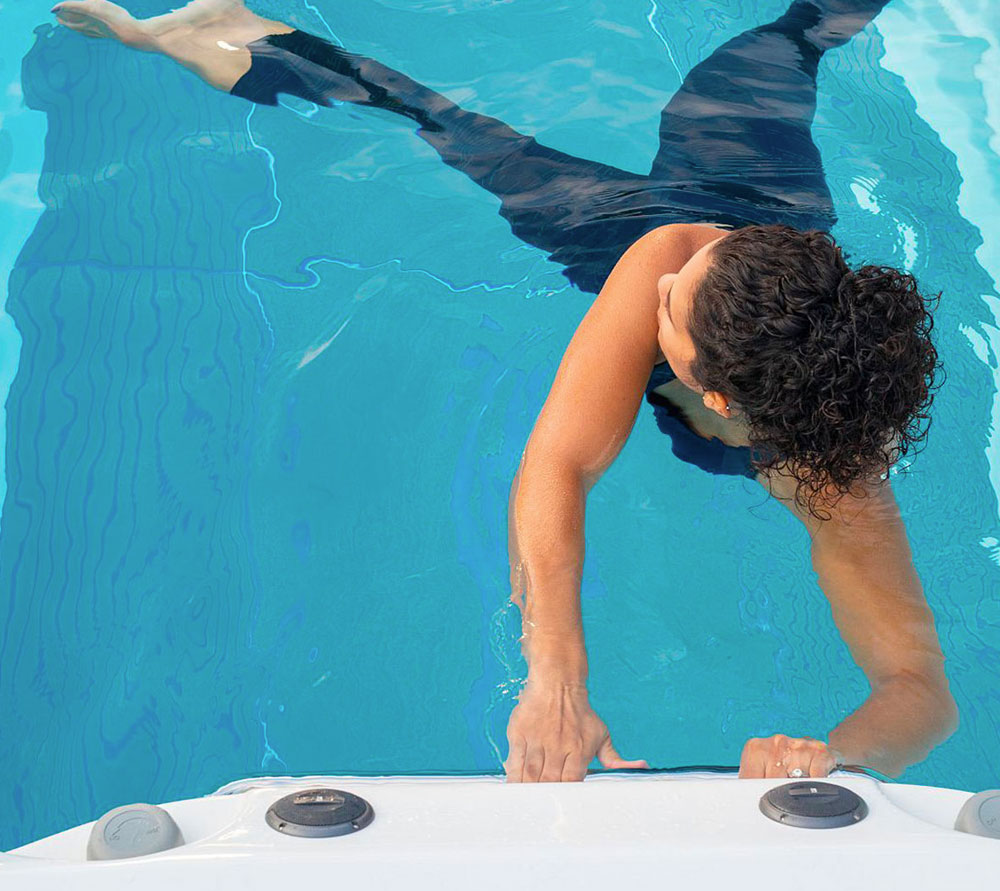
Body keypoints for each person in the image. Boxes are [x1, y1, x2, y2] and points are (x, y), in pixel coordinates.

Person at [51, 0, 960, 781]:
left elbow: (922, 697)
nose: (660, 283)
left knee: (489, 137)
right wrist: (557, 677)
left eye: (666, 310)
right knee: (749, 55)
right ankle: (243, 39)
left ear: (711, 393)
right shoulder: (674, 249)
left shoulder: (834, 477)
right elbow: (558, 464)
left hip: (750, 310)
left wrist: (831, 757)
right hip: (770, 221)